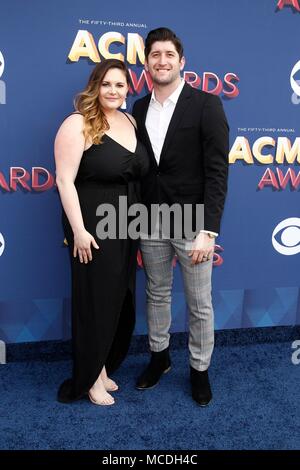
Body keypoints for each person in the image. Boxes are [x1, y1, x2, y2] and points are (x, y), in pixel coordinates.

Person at [132, 28, 229, 406]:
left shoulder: (206, 104)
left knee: (198, 301)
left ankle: (199, 370)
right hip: (151, 216)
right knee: (156, 292)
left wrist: (210, 229)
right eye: (155, 55)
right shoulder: (139, 108)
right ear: (147, 64)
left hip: (192, 221)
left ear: (181, 61)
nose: (162, 61)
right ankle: (160, 358)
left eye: (169, 54)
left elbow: (217, 171)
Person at [55, 59, 149, 406]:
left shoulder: (131, 121)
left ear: (128, 89)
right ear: (95, 86)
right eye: (106, 84)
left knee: (117, 297)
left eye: (120, 85)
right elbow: (64, 181)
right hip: (92, 223)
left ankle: (103, 367)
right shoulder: (77, 124)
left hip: (126, 222)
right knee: (95, 298)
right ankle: (89, 376)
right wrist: (78, 230)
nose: (113, 91)